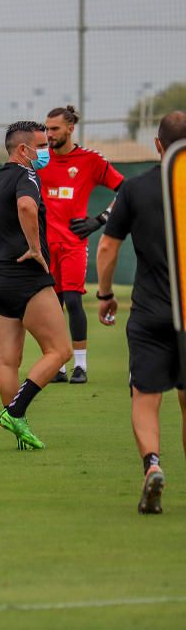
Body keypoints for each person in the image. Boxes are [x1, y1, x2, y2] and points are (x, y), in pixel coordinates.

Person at [96, 110, 186, 514]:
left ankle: (151, 465)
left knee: (145, 397)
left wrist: (104, 294)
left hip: (150, 312)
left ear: (158, 146)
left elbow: (107, 248)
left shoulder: (135, 189)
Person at [0, 120, 72, 450]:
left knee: (8, 360)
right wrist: (35, 248)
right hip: (27, 278)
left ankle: (19, 435)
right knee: (60, 351)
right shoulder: (27, 175)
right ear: (23, 150)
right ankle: (16, 411)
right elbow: (26, 206)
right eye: (41, 146)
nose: (47, 151)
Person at [40, 106, 124, 384]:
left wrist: (100, 220)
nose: (49, 134)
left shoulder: (90, 160)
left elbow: (125, 192)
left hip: (74, 245)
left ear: (70, 128)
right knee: (52, 306)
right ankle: (58, 366)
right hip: (44, 246)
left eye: (54, 129)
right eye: (47, 129)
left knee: (73, 301)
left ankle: (80, 366)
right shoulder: (40, 159)